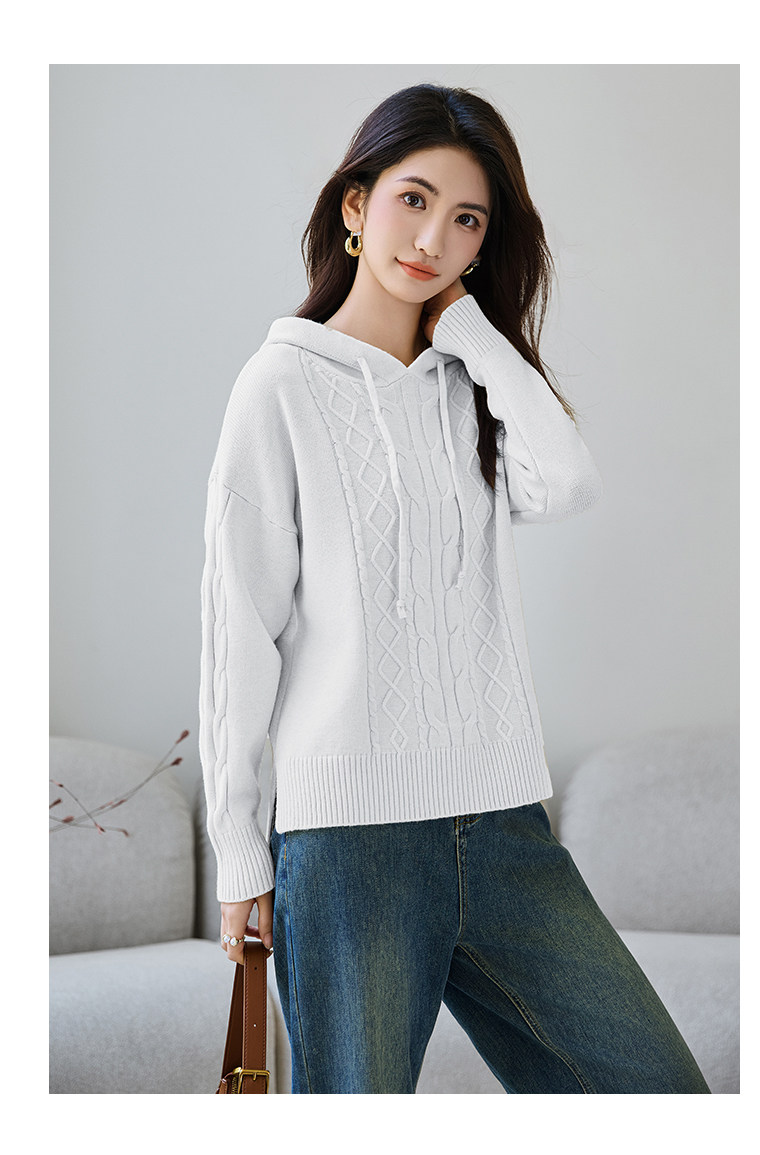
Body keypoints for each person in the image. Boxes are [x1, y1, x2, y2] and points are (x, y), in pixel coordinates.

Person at [198, 82, 711, 1094]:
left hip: (501, 820)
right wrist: (240, 853)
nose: (434, 238)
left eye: (467, 218)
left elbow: (565, 482)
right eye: (414, 199)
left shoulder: (468, 383)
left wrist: (471, 336)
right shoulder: (279, 386)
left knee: (658, 1094)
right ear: (356, 205)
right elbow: (237, 633)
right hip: (350, 848)